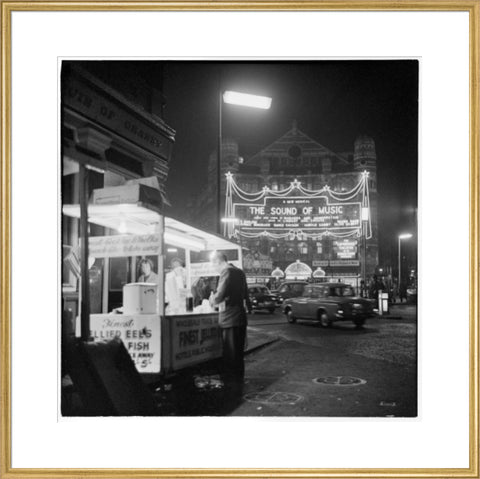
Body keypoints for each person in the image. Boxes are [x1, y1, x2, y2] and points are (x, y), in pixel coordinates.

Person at [210, 252, 251, 384]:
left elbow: (219, 295)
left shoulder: (226, 272)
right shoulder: (240, 272)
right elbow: (246, 295)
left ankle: (231, 383)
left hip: (229, 319)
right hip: (240, 317)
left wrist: (212, 300)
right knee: (238, 353)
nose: (215, 269)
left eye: (214, 265)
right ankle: (238, 379)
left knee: (231, 353)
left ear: (218, 262)